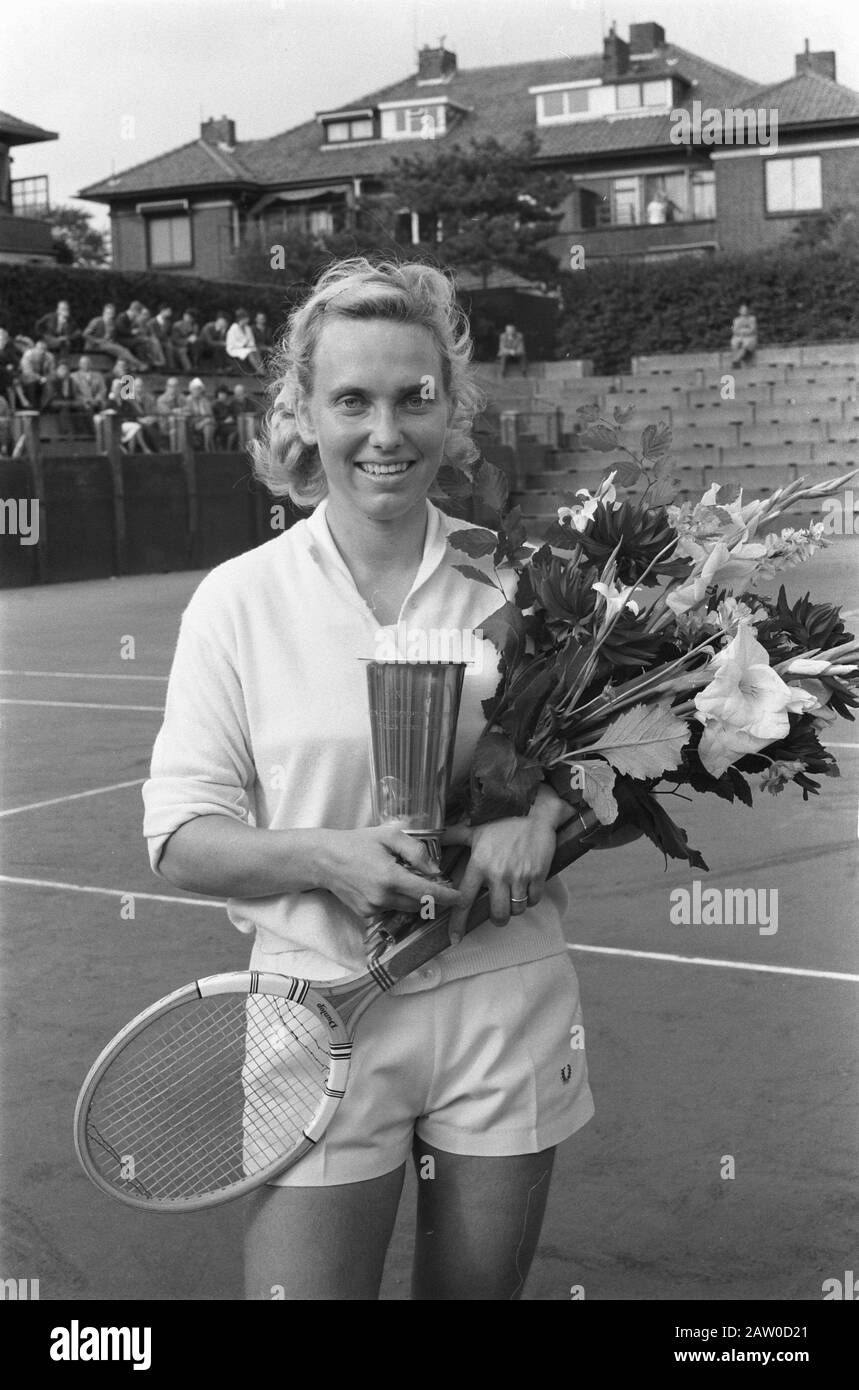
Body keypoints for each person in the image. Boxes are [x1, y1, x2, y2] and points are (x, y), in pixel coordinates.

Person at [142, 258, 593, 1302]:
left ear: (451, 411)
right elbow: (177, 836)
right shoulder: (236, 601)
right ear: (303, 409)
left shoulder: (519, 576)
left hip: (502, 998)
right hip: (316, 1007)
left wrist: (546, 814)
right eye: (352, 399)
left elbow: (618, 746)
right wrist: (324, 858)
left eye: (412, 399)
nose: (384, 432)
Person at [83, 303, 146, 371]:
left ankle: (128, 368)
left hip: (107, 344)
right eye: (108, 313)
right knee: (119, 349)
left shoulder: (112, 324)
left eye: (111, 313)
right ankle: (139, 365)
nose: (110, 315)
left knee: (122, 350)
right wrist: (97, 340)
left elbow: (113, 336)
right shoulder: (97, 321)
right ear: (104, 312)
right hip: (95, 345)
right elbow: (85, 334)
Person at [18, 337, 56, 410]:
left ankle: (43, 408)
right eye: (40, 348)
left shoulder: (50, 356)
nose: (42, 351)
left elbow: (52, 371)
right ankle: (34, 408)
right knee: (32, 384)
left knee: (50, 386)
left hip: (44, 378)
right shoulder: (28, 355)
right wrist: (39, 378)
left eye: (44, 349)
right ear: (35, 348)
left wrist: (46, 378)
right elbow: (27, 371)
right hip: (29, 378)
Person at [226, 307, 262, 373]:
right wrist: (244, 344)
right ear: (241, 319)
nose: (248, 320)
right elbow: (232, 343)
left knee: (256, 351)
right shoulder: (233, 328)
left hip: (247, 347)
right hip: (235, 349)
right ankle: (259, 370)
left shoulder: (247, 328)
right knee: (250, 352)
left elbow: (252, 340)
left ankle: (261, 369)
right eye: (246, 318)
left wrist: (251, 345)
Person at [184, 376, 215, 450]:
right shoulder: (188, 400)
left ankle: (207, 446)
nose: (197, 391)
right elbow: (188, 414)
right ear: (191, 390)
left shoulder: (205, 401)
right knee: (208, 425)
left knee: (208, 426)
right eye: (195, 389)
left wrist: (204, 422)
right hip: (193, 424)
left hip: (205, 423)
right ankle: (208, 447)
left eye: (198, 389)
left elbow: (210, 415)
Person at [171, 309, 200, 374]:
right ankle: (188, 369)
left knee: (196, 346)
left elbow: (194, 335)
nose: (188, 319)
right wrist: (187, 341)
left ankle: (195, 366)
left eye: (190, 318)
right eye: (186, 316)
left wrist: (193, 339)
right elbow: (175, 339)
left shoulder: (195, 326)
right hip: (179, 345)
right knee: (183, 350)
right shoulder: (177, 325)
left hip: (192, 345)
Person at [730, 303, 758, 369]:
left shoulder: (752, 318)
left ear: (748, 310)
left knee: (746, 344)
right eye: (742, 310)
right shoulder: (736, 320)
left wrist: (743, 332)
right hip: (739, 337)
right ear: (739, 311)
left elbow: (752, 329)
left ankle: (735, 360)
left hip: (750, 337)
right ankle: (736, 361)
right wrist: (742, 332)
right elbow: (735, 330)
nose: (744, 311)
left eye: (745, 309)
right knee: (735, 342)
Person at [212, 385, 238, 450]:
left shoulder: (229, 405)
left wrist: (232, 419)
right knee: (235, 431)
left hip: (231, 425)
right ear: (217, 394)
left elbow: (234, 415)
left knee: (238, 429)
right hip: (220, 427)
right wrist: (224, 422)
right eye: (221, 393)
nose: (222, 395)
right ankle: (228, 450)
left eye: (224, 393)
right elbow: (214, 420)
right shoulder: (214, 406)